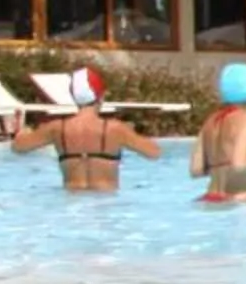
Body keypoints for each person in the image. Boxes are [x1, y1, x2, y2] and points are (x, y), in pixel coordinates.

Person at [12, 67, 159, 191]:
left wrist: (23, 132)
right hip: (106, 206)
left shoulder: (57, 128)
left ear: (74, 97)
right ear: (100, 96)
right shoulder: (115, 129)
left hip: (72, 205)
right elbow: (154, 153)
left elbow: (18, 147)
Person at [192, 62, 246, 204]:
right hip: (238, 200)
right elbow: (239, 165)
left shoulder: (210, 121)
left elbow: (196, 170)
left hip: (210, 198)